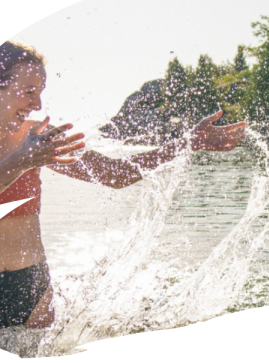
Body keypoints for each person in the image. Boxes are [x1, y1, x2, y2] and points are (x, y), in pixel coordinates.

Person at [0, 41, 247, 329]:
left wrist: (189, 143)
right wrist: (20, 162)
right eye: (29, 92)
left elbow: (115, 174)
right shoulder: (31, 150)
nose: (38, 105)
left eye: (40, 93)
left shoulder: (39, 140)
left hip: (31, 287)